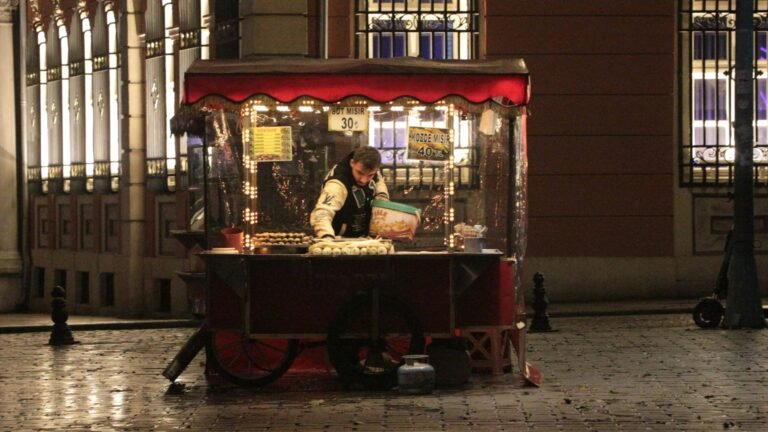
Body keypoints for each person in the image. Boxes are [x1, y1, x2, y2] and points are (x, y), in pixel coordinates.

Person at [310, 146, 389, 238]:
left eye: (370, 175)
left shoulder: (372, 171)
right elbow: (322, 212)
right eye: (360, 173)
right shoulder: (337, 184)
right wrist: (326, 236)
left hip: (365, 236)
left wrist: (382, 198)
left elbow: (378, 181)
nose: (363, 180)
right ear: (352, 163)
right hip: (338, 239)